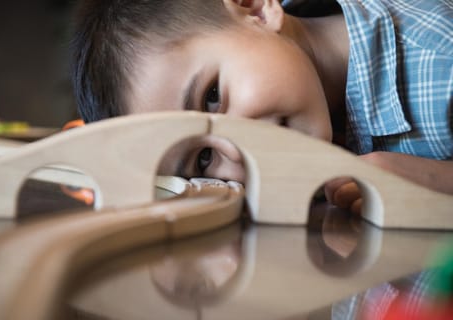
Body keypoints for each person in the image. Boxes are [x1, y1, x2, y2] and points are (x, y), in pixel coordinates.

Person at [70, 0, 453, 215]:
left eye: (213, 97)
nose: (235, 149)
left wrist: (440, 184)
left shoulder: (442, 56)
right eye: (203, 159)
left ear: (255, 9)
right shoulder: (295, 150)